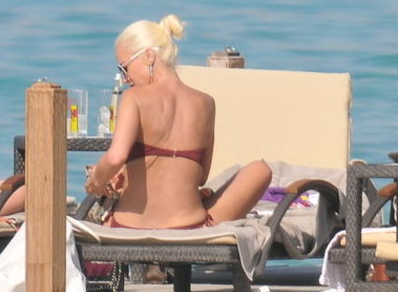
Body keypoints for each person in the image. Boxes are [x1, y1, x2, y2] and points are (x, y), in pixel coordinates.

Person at [84, 14, 272, 229]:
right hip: (190, 228)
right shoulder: (205, 103)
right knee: (260, 170)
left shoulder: (133, 97)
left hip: (129, 227)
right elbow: (201, 177)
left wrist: (96, 181)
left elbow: (115, 157)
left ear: (149, 56)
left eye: (124, 68)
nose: (125, 79)